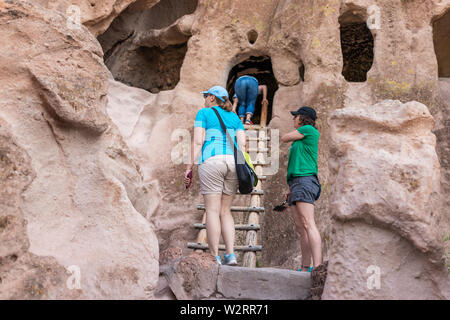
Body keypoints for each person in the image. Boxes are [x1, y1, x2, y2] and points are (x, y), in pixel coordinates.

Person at [184, 86, 246, 266]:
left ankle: (215, 256)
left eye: (206, 96)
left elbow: (198, 141)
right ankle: (231, 255)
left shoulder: (204, 113)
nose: (204, 99)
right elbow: (242, 145)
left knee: (211, 210)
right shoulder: (235, 117)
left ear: (212, 98)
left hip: (211, 161)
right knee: (225, 211)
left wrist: (189, 166)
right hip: (233, 164)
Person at [280, 106, 322, 272]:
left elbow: (284, 137)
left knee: (308, 223)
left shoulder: (308, 129)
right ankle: (305, 267)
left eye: (295, 116)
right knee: (300, 226)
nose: (293, 119)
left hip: (305, 180)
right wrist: (290, 187)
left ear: (303, 118)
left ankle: (317, 266)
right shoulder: (301, 138)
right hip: (296, 182)